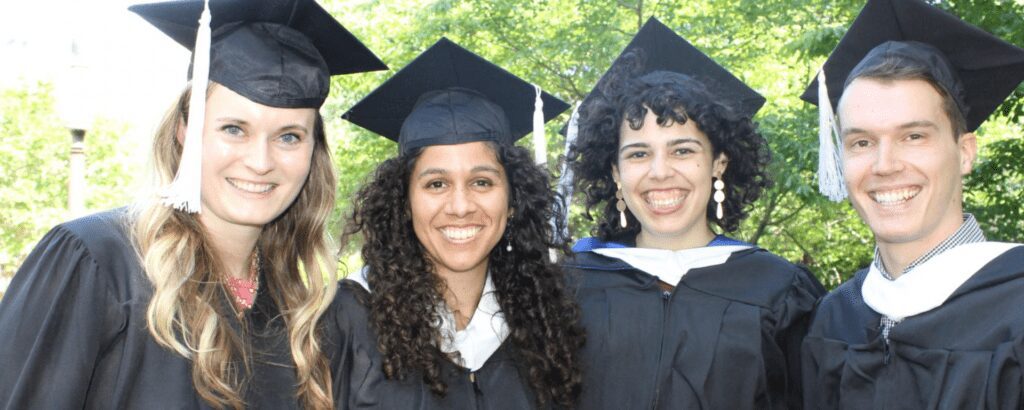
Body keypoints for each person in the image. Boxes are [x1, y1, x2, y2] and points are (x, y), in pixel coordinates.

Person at [0, 0, 385, 408]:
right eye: (234, 129)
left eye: (289, 136)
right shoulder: (98, 262)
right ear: (186, 130)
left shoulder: (297, 310)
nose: (260, 161)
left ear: (313, 152)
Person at [563, 17, 825, 409]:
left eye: (682, 150)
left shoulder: (779, 290)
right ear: (615, 172)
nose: (660, 171)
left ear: (719, 162)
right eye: (638, 154)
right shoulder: (570, 283)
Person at [325, 38, 585, 409]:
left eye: (482, 182)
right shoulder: (347, 319)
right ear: (405, 202)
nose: (460, 206)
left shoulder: (550, 319)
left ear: (513, 201)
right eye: (436, 184)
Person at [799, 0, 1024, 408]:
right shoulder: (834, 317)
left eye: (913, 137)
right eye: (862, 142)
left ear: (965, 152)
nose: (885, 165)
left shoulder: (1017, 303)